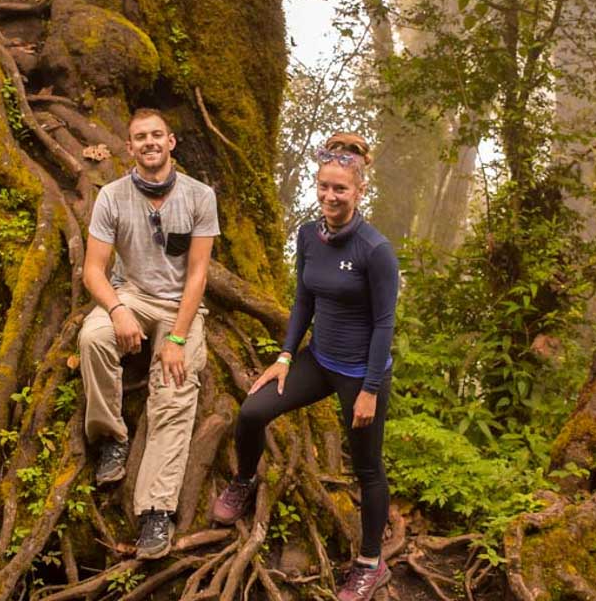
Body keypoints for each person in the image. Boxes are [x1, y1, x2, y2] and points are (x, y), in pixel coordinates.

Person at [212, 133, 399, 601]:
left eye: (341, 189)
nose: (331, 196)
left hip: (360, 373)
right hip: (318, 359)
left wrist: (370, 390)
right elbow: (303, 301)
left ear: (359, 192)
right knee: (252, 412)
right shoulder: (308, 235)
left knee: (367, 468)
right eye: (324, 186)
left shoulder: (375, 250)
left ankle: (370, 563)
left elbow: (383, 325)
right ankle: (244, 480)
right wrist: (283, 357)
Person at [77, 108, 218, 560]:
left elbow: (198, 274)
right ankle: (112, 438)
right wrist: (117, 310)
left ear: (171, 142)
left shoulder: (199, 196)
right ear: (130, 147)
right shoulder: (113, 197)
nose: (150, 142)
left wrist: (176, 339)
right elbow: (93, 271)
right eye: (141, 137)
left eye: (157, 135)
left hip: (180, 306)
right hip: (131, 293)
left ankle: (156, 510)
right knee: (93, 338)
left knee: (175, 388)